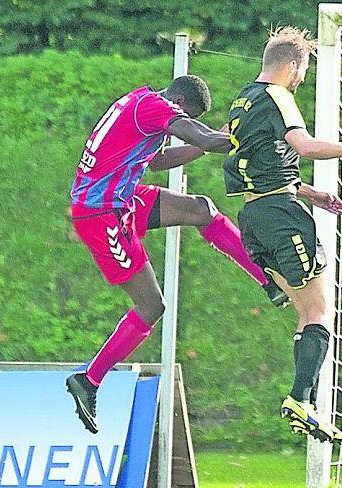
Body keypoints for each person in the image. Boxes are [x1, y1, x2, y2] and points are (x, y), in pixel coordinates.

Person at [65, 74, 283, 434]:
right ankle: (89, 380)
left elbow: (160, 161)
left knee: (201, 209)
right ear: (180, 106)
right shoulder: (155, 107)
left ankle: (266, 279)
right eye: (188, 117)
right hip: (99, 213)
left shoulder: (140, 103)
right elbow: (201, 136)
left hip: (120, 200)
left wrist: (214, 140)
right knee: (152, 306)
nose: (183, 123)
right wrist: (241, 134)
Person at [223, 27, 342, 443]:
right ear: (293, 65)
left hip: (254, 216)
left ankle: (305, 404)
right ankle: (300, 399)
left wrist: (312, 193)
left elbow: (264, 164)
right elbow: (305, 146)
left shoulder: (242, 100)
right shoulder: (280, 97)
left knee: (305, 311)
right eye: (304, 69)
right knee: (319, 311)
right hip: (281, 217)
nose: (303, 78)